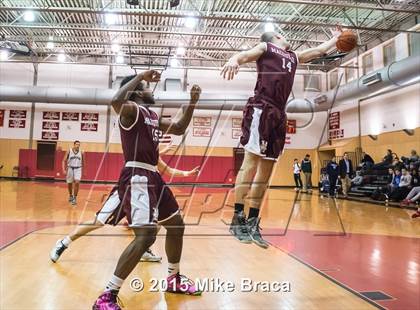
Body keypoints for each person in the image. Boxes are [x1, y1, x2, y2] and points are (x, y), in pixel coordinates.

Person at [75, 70, 201, 309]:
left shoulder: (152, 115)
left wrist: (192, 103)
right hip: (137, 175)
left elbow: (180, 127)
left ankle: (173, 278)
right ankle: (107, 296)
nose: (149, 89)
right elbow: (115, 101)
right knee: (146, 236)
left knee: (176, 225)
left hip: (153, 175)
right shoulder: (130, 110)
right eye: (145, 86)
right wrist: (140, 74)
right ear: (135, 92)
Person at [221, 26, 346, 247]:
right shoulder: (266, 46)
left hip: (279, 113)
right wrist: (233, 60)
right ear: (277, 37)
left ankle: (252, 221)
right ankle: (237, 218)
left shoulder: (293, 56)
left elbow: (318, 51)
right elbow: (245, 55)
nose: (287, 36)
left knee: (266, 172)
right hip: (262, 107)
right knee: (250, 164)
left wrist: (336, 39)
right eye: (283, 34)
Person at [50, 155, 200, 264]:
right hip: (125, 191)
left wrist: (187, 173)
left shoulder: (153, 150)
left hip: (145, 191)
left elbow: (166, 169)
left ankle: (145, 250)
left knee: (158, 220)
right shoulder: (135, 146)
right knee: (98, 222)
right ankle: (63, 243)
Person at [62, 140, 84, 205]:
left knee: (77, 182)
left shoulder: (82, 152)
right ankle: (71, 195)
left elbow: (84, 162)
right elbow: (63, 161)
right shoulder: (69, 151)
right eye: (76, 144)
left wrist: (85, 171)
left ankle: (75, 198)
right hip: (70, 168)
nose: (78, 146)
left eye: (79, 145)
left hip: (78, 168)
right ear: (74, 145)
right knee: (69, 183)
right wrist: (63, 169)